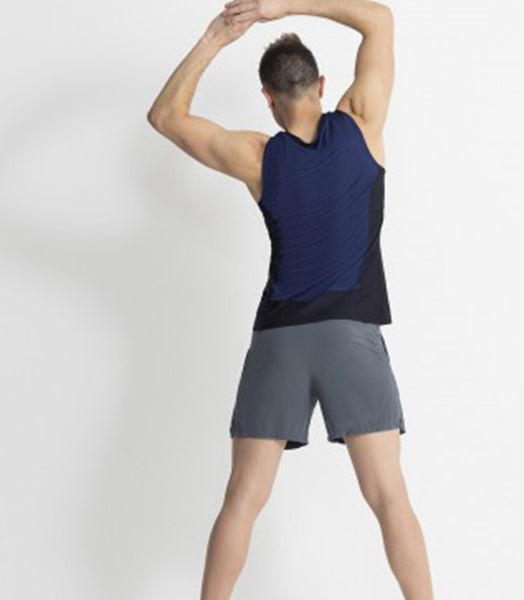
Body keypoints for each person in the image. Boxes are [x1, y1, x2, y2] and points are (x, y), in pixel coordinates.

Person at [147, 1, 435, 599]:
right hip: (350, 336)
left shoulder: (257, 156)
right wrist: (284, 5)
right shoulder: (362, 123)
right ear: (322, 85)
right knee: (389, 496)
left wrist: (214, 38)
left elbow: (165, 116)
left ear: (268, 98)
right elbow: (378, 18)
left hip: (279, 340)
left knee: (243, 499)